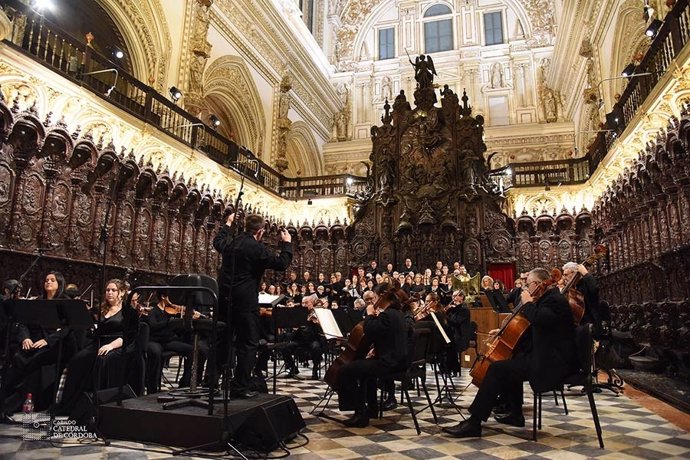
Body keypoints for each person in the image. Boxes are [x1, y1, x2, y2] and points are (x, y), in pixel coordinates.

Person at [442, 268, 578, 438]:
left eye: (528, 285)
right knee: (512, 359)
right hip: (544, 355)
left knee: (497, 369)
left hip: (551, 363)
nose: (526, 289)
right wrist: (503, 330)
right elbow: (534, 327)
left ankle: (474, 422)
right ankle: (515, 414)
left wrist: (528, 303)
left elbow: (539, 319)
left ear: (537, 284)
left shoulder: (555, 300)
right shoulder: (548, 298)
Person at [213, 213, 292, 398]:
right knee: (248, 344)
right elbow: (281, 263)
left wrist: (228, 223)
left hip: (224, 298)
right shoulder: (256, 248)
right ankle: (239, 387)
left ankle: (211, 383)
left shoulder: (230, 243)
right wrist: (286, 243)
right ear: (260, 231)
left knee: (221, 341)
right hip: (245, 302)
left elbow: (218, 240)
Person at [1, 271, 75, 416]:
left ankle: (12, 404)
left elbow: (67, 329)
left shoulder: (65, 303)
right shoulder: (38, 301)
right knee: (18, 358)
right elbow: (23, 323)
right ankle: (4, 398)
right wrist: (25, 338)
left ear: (59, 284)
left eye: (52, 280)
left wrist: (47, 341)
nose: (48, 282)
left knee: (34, 362)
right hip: (34, 341)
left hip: (55, 345)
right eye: (46, 280)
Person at [336, 283, 410, 427]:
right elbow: (387, 336)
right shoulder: (398, 314)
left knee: (345, 370)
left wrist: (370, 314)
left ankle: (359, 412)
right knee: (364, 370)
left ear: (382, 298)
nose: (374, 301)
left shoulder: (387, 315)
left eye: (375, 297)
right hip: (398, 361)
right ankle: (370, 409)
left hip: (389, 364)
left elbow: (369, 329)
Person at [56, 279, 133, 415]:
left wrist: (110, 346)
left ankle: (98, 404)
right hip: (98, 342)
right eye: (107, 290)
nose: (109, 293)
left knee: (102, 360)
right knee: (77, 360)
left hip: (116, 344)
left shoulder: (128, 311)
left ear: (121, 293)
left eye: (113, 290)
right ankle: (72, 403)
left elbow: (128, 336)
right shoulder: (101, 308)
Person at [562, 262, 606, 333]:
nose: (564, 278)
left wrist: (585, 274)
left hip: (590, 324)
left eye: (566, 275)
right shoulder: (572, 288)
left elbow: (595, 288)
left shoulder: (585, 283)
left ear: (575, 273)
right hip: (579, 326)